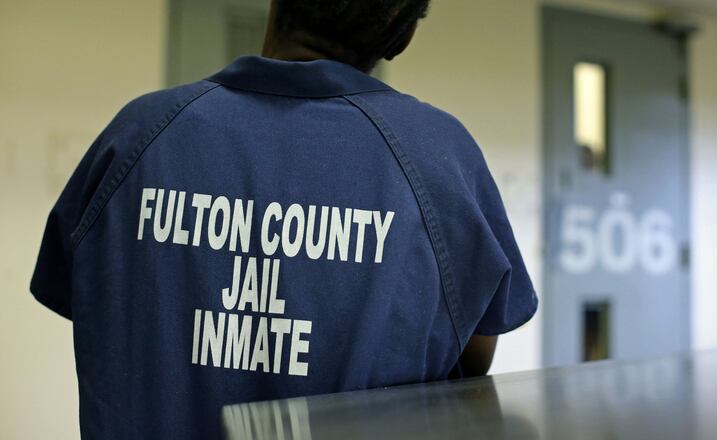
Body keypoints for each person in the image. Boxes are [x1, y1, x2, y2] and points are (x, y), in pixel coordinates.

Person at [31, 0, 538, 438]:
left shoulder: (136, 137)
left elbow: (85, 301)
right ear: (401, 38)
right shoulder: (438, 160)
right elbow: (474, 358)